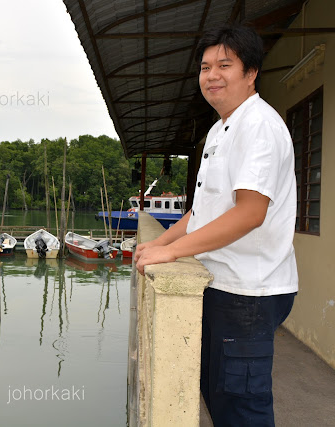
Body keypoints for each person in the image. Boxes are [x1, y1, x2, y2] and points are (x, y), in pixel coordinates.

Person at [134, 25, 297, 426]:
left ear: (251, 72)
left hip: (249, 291)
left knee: (242, 405)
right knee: (219, 395)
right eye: (205, 67)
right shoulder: (221, 127)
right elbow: (202, 211)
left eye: (225, 64)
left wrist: (171, 251)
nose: (212, 75)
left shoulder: (258, 125)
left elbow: (249, 213)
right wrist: (160, 243)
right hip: (223, 284)